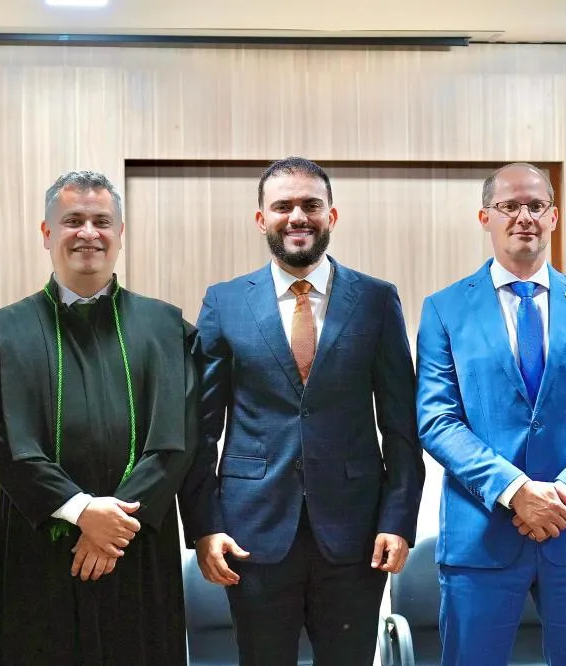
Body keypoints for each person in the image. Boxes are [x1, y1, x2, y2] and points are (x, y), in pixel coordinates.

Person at [181, 156, 425, 666]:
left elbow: (401, 425)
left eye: (311, 205)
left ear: (331, 216)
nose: (298, 217)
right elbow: (199, 430)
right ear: (261, 219)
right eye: (283, 206)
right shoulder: (224, 302)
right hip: (252, 532)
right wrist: (204, 524)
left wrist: (399, 519)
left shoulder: (377, 300)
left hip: (357, 533)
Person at [415, 163, 566, 665]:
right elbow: (437, 421)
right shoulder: (444, 309)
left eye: (536, 206)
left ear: (553, 217)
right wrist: (516, 491)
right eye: (509, 206)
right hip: (481, 537)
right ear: (485, 217)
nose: (524, 217)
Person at [0, 170, 199, 665]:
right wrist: (79, 511)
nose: (88, 233)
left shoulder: (167, 329)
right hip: (40, 546)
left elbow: (178, 437)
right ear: (47, 233)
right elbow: (0, 439)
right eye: (72, 220)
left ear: (121, 233)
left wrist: (113, 525)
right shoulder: (3, 334)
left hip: (135, 547)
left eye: (101, 221)